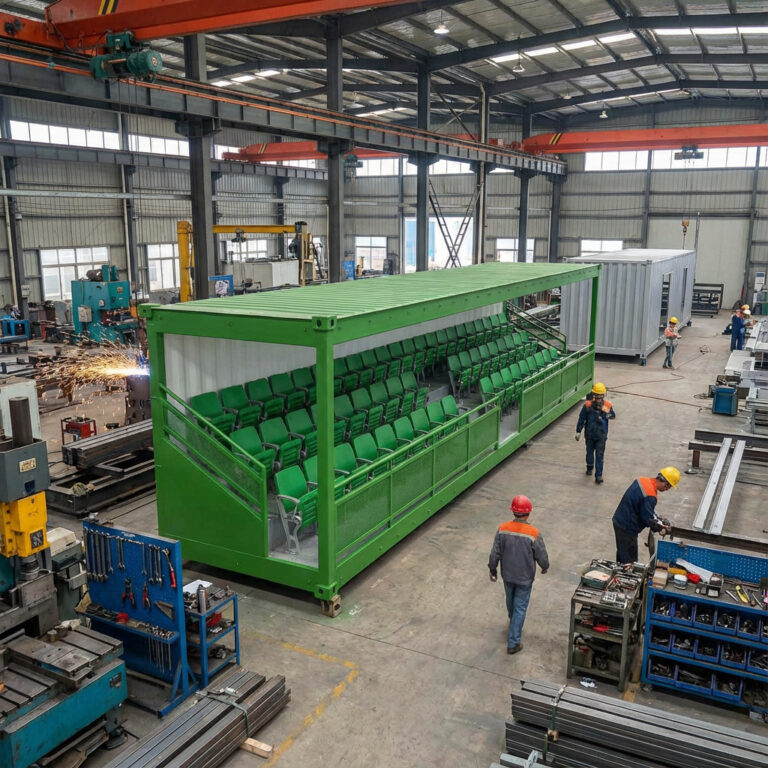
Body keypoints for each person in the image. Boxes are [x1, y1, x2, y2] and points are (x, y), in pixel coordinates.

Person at [488, 495, 549, 655]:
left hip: (507, 575)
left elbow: (495, 552)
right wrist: (545, 566)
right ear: (528, 513)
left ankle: (512, 620)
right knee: (520, 607)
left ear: (513, 511)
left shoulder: (502, 528)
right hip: (525, 578)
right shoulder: (533, 533)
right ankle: (513, 643)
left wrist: (492, 569)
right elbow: (541, 555)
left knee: (510, 600)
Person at [611, 467, 680, 563]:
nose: (667, 489)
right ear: (666, 484)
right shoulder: (651, 495)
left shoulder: (643, 480)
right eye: (669, 487)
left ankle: (618, 572)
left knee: (622, 554)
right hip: (627, 528)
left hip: (619, 520)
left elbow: (645, 508)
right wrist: (659, 527)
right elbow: (647, 518)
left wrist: (658, 518)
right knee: (629, 562)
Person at [575, 382, 615, 485]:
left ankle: (599, 475)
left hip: (601, 435)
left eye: (600, 396)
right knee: (589, 453)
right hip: (590, 434)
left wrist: (605, 413)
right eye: (596, 396)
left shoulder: (606, 406)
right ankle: (589, 466)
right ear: (593, 395)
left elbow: (612, 415)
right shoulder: (588, 406)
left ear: (603, 396)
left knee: (600, 456)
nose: (598, 399)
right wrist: (578, 431)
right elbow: (582, 418)